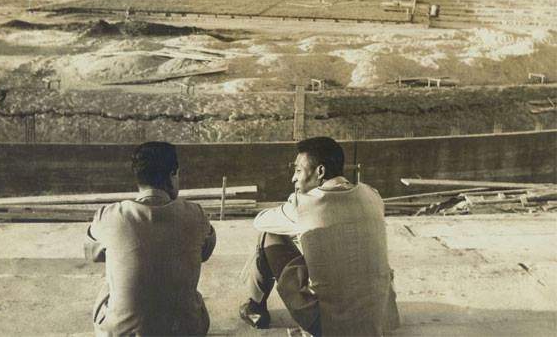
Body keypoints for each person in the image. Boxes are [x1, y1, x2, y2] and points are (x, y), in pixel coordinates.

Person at [240, 137, 399, 336]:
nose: (293, 178)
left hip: (331, 326)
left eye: (298, 170)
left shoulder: (303, 205)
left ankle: (255, 309)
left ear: (320, 172)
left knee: (269, 235)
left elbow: (260, 221)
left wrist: (297, 221)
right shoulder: (372, 195)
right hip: (380, 319)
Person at [85, 141, 216, 336]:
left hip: (124, 333)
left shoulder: (110, 215)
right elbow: (205, 252)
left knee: (113, 278)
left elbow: (91, 254)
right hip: (186, 331)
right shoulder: (195, 214)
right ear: (172, 175)